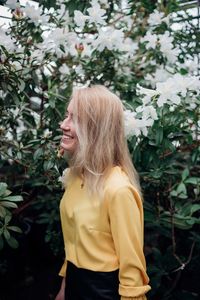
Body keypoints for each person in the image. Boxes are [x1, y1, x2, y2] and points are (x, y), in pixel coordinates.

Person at [55, 85, 151, 300]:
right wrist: (64, 288)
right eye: (66, 115)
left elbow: (132, 271)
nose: (63, 125)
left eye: (75, 119)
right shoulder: (74, 177)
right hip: (74, 284)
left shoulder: (119, 190)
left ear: (97, 129)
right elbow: (75, 243)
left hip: (102, 291)